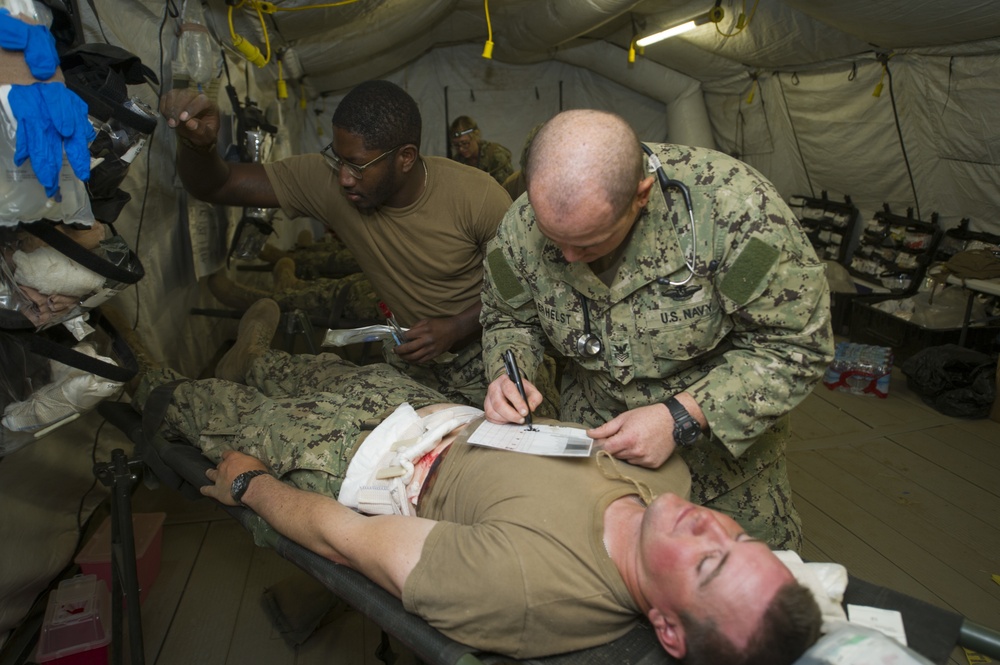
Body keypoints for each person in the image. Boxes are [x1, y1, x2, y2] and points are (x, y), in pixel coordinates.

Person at [133, 298, 822, 663]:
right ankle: (248, 358)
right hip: (410, 404)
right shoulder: (661, 467)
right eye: (738, 538)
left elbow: (347, 541)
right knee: (279, 366)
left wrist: (252, 485)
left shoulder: (526, 588)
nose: (710, 523)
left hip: (345, 450)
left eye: (708, 562)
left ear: (667, 628)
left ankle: (133, 355)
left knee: (177, 403)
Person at [480, 109, 835, 551]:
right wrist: (509, 375)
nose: (568, 257)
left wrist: (684, 416)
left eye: (589, 242)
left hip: (721, 469)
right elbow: (508, 319)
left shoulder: (734, 214)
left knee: (744, 594)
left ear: (641, 196)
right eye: (555, 240)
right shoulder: (521, 228)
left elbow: (795, 345)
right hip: (594, 454)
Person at [160, 80, 512, 407]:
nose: (343, 177)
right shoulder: (331, 181)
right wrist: (200, 147)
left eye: (358, 165)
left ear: (405, 157)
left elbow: (519, 291)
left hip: (489, 354)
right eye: (337, 158)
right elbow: (216, 186)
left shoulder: (478, 199)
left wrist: (456, 327)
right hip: (410, 358)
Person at [449, 115, 514, 185]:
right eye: (456, 145)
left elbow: (507, 188)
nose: (461, 149)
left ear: (476, 136)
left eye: (465, 143)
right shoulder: (457, 162)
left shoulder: (496, 155)